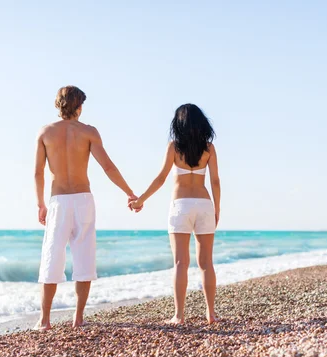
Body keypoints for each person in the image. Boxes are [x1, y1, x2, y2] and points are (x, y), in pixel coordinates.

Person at [34, 85, 138, 330]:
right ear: (79, 107)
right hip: (83, 199)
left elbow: (38, 172)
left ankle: (45, 320)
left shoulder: (45, 132)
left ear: (58, 105)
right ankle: (78, 318)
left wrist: (40, 204)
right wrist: (129, 192)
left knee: (52, 256)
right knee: (84, 255)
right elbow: (108, 167)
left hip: (58, 200)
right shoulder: (89, 132)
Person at [130, 104, 220, 324]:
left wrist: (140, 199)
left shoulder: (174, 147)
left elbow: (161, 179)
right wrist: (216, 209)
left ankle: (179, 315)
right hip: (204, 203)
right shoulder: (208, 148)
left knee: (181, 263)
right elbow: (215, 181)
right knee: (206, 262)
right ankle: (211, 314)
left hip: (181, 205)